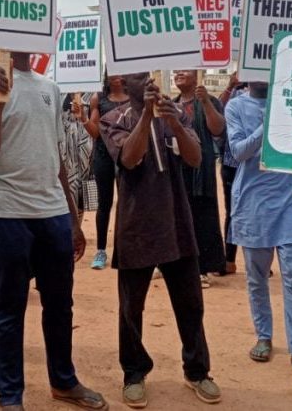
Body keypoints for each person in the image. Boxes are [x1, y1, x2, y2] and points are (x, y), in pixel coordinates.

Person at [0, 54, 106, 411]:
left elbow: (56, 156)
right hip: (5, 212)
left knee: (60, 304)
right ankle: (10, 397)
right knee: (9, 307)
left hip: (52, 211)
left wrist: (72, 218)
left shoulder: (50, 87)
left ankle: (64, 381)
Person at [100, 73, 220, 407]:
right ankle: (134, 374)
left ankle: (197, 371)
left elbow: (195, 158)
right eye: (141, 75)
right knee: (131, 308)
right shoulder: (114, 119)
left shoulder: (176, 113)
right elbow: (129, 158)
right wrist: (146, 118)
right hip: (136, 227)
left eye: (152, 72)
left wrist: (174, 123)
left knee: (191, 304)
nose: (150, 80)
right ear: (126, 83)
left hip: (177, 222)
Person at [226, 81, 292, 378]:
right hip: (252, 202)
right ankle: (263, 336)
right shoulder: (236, 106)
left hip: (288, 199)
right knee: (257, 277)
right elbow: (238, 152)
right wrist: (267, 126)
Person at [173, 70, 227, 284]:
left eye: (184, 70)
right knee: (178, 217)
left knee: (202, 218)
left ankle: (202, 268)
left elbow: (218, 129)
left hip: (200, 171)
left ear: (196, 75)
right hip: (178, 170)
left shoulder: (209, 101)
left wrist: (205, 103)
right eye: (176, 71)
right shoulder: (172, 104)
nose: (178, 73)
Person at [83, 74, 129, 269]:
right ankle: (101, 251)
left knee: (126, 204)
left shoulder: (134, 98)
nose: (116, 76)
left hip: (126, 156)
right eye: (112, 72)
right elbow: (95, 132)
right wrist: (83, 118)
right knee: (105, 203)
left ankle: (123, 249)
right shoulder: (98, 98)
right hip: (104, 156)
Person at [217, 73, 245, 275]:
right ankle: (229, 260)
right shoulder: (234, 91)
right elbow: (218, 111)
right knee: (232, 212)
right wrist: (230, 85)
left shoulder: (266, 91)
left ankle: (261, 261)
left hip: (257, 165)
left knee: (257, 210)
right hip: (231, 162)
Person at [61, 93, 94, 225]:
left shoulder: (91, 95)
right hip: (64, 150)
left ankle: (77, 226)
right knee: (65, 190)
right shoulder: (58, 93)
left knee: (80, 192)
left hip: (84, 151)